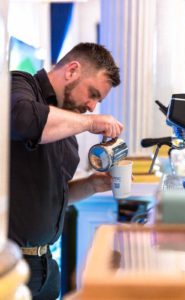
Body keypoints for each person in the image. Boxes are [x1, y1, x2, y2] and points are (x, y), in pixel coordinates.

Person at [8, 42, 123, 299]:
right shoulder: (19, 84)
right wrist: (91, 123)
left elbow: (56, 196)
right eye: (92, 94)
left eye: (98, 101)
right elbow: (23, 120)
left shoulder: (68, 128)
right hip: (10, 263)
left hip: (47, 266)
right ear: (71, 70)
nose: (93, 106)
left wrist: (93, 185)